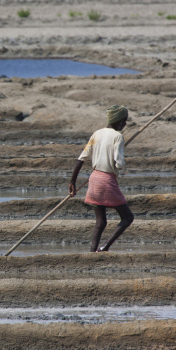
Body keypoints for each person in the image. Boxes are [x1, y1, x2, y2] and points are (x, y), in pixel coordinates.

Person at [68, 105, 134, 252]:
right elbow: (120, 163)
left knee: (101, 222)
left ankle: (92, 251)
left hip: (94, 178)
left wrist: (72, 181)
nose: (125, 125)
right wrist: (122, 160)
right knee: (127, 218)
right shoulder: (118, 136)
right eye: (124, 121)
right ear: (118, 121)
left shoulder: (96, 134)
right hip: (107, 181)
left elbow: (81, 159)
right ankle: (104, 248)